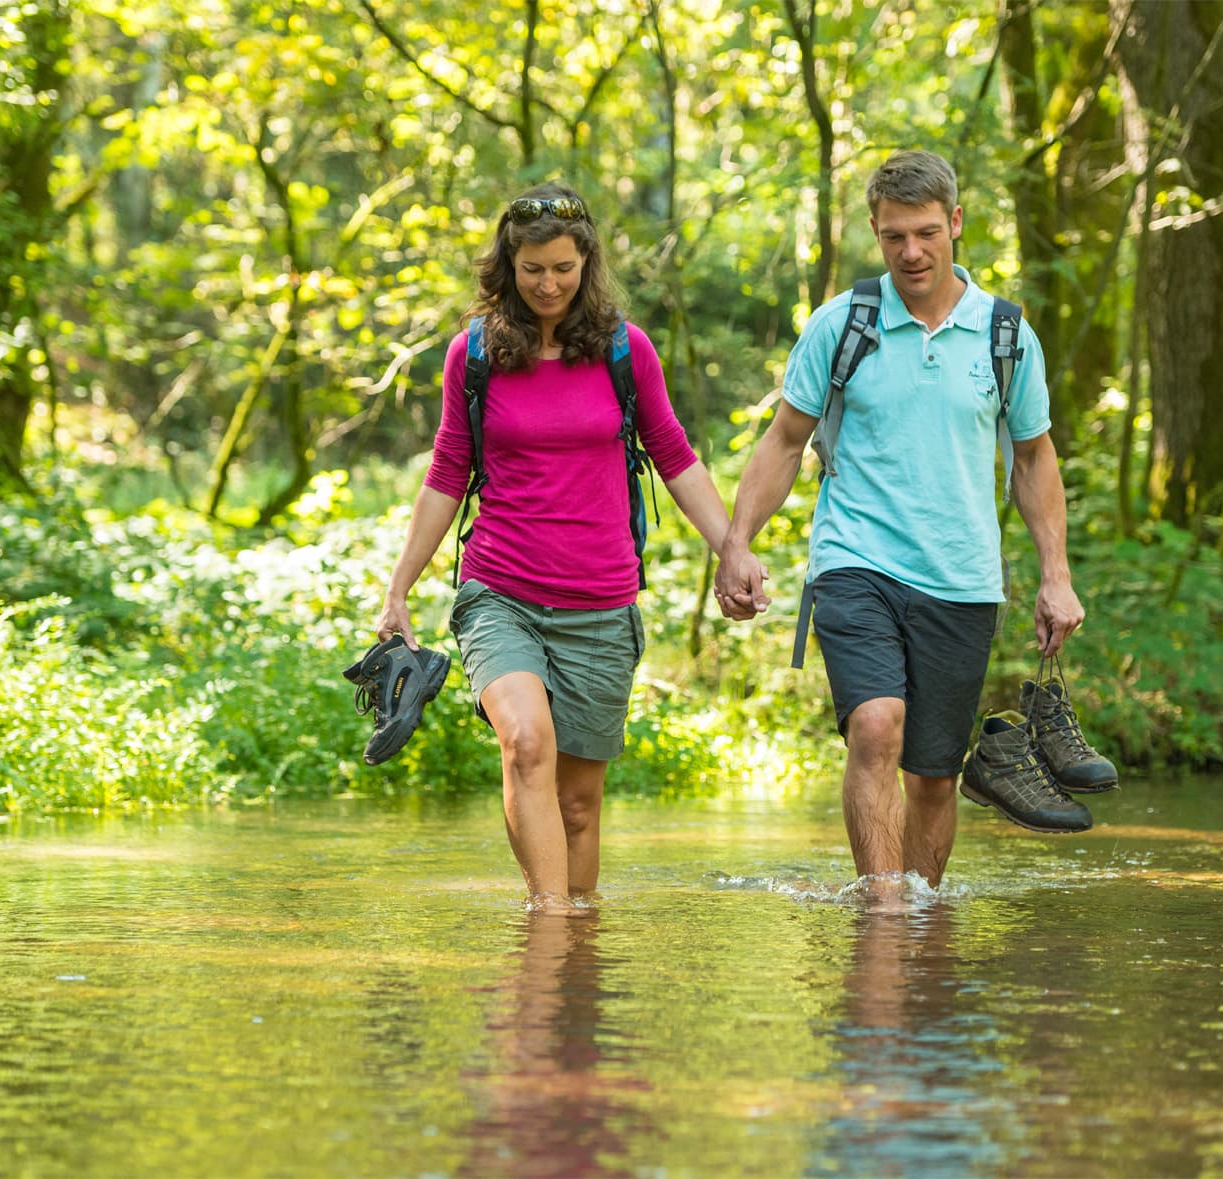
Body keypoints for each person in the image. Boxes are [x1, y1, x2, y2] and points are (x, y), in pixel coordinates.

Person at [713, 150, 1089, 902]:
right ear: (876, 233)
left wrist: (1057, 575)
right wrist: (736, 544)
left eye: (925, 233)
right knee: (877, 724)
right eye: (894, 237)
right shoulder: (842, 325)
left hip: (962, 576)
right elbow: (785, 441)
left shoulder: (1006, 334)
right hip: (856, 561)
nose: (911, 252)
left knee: (934, 776)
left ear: (956, 223)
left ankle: (919, 924)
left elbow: (1033, 456)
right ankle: (884, 912)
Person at [373, 182, 733, 914]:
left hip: (600, 603)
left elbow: (672, 452)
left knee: (577, 806)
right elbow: (448, 470)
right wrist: (398, 588)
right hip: (500, 591)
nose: (547, 284)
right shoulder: (474, 354)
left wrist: (733, 548)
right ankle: (549, 927)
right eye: (532, 269)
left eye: (563, 268)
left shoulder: (626, 350)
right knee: (527, 743)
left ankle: (574, 960)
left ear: (587, 263)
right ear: (508, 266)